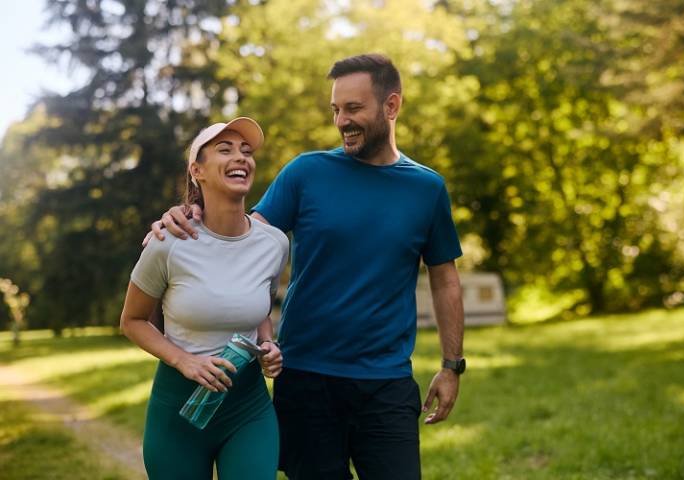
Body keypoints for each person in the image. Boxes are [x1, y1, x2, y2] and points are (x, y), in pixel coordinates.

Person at [150, 54, 466, 480]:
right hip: (306, 381)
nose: (342, 121)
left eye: (353, 109)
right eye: (336, 109)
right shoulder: (307, 173)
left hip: (386, 384)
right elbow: (239, 239)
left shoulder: (427, 189)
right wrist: (187, 215)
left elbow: (445, 281)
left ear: (391, 107)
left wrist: (451, 366)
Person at [121, 117, 289, 479]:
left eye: (246, 151)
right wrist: (185, 361)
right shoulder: (168, 243)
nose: (240, 157)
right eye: (225, 150)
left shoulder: (275, 243)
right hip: (178, 410)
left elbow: (259, 304)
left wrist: (268, 344)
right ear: (197, 170)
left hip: (247, 409)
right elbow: (132, 321)